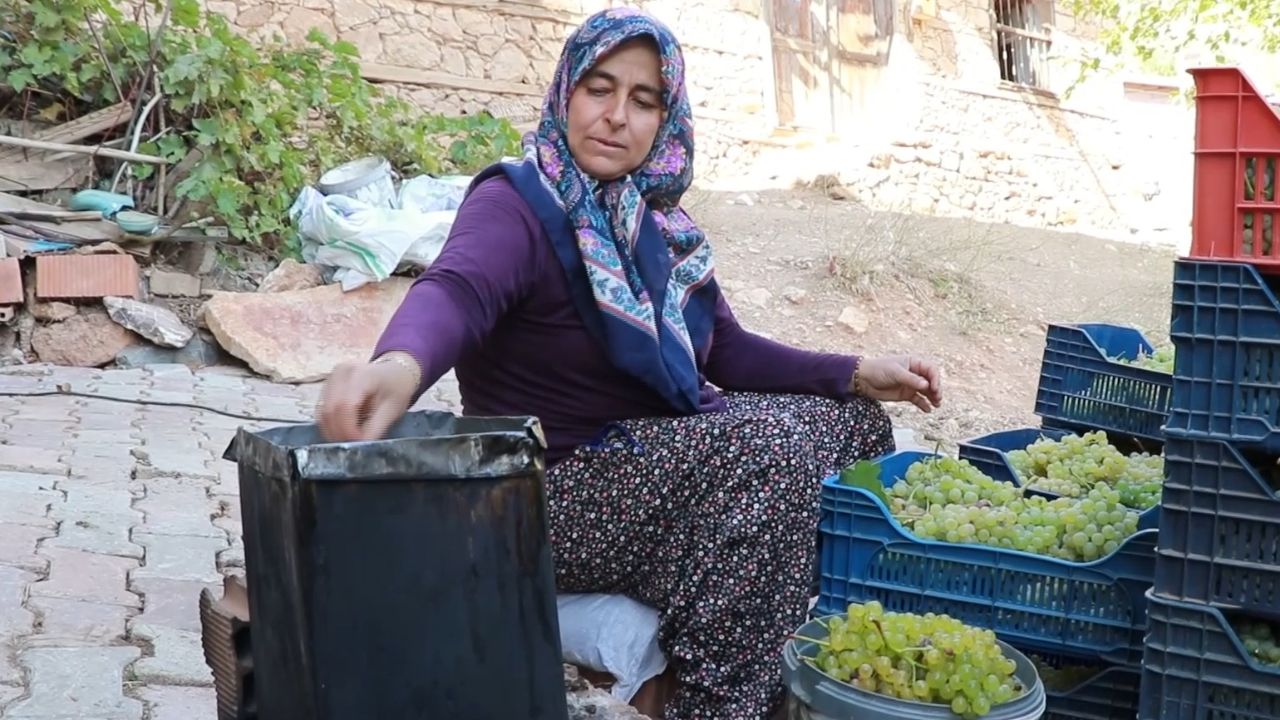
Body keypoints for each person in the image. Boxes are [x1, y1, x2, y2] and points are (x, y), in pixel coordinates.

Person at [317, 7, 942, 719]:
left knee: (851, 426)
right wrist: (397, 366)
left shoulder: (655, 224)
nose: (616, 116)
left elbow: (725, 351)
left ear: (666, 120)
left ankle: (776, 634)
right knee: (771, 449)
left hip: (651, 467)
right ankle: (719, 702)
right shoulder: (519, 202)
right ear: (565, 94)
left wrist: (857, 371)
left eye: (643, 101)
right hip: (551, 491)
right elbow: (456, 290)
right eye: (599, 89)